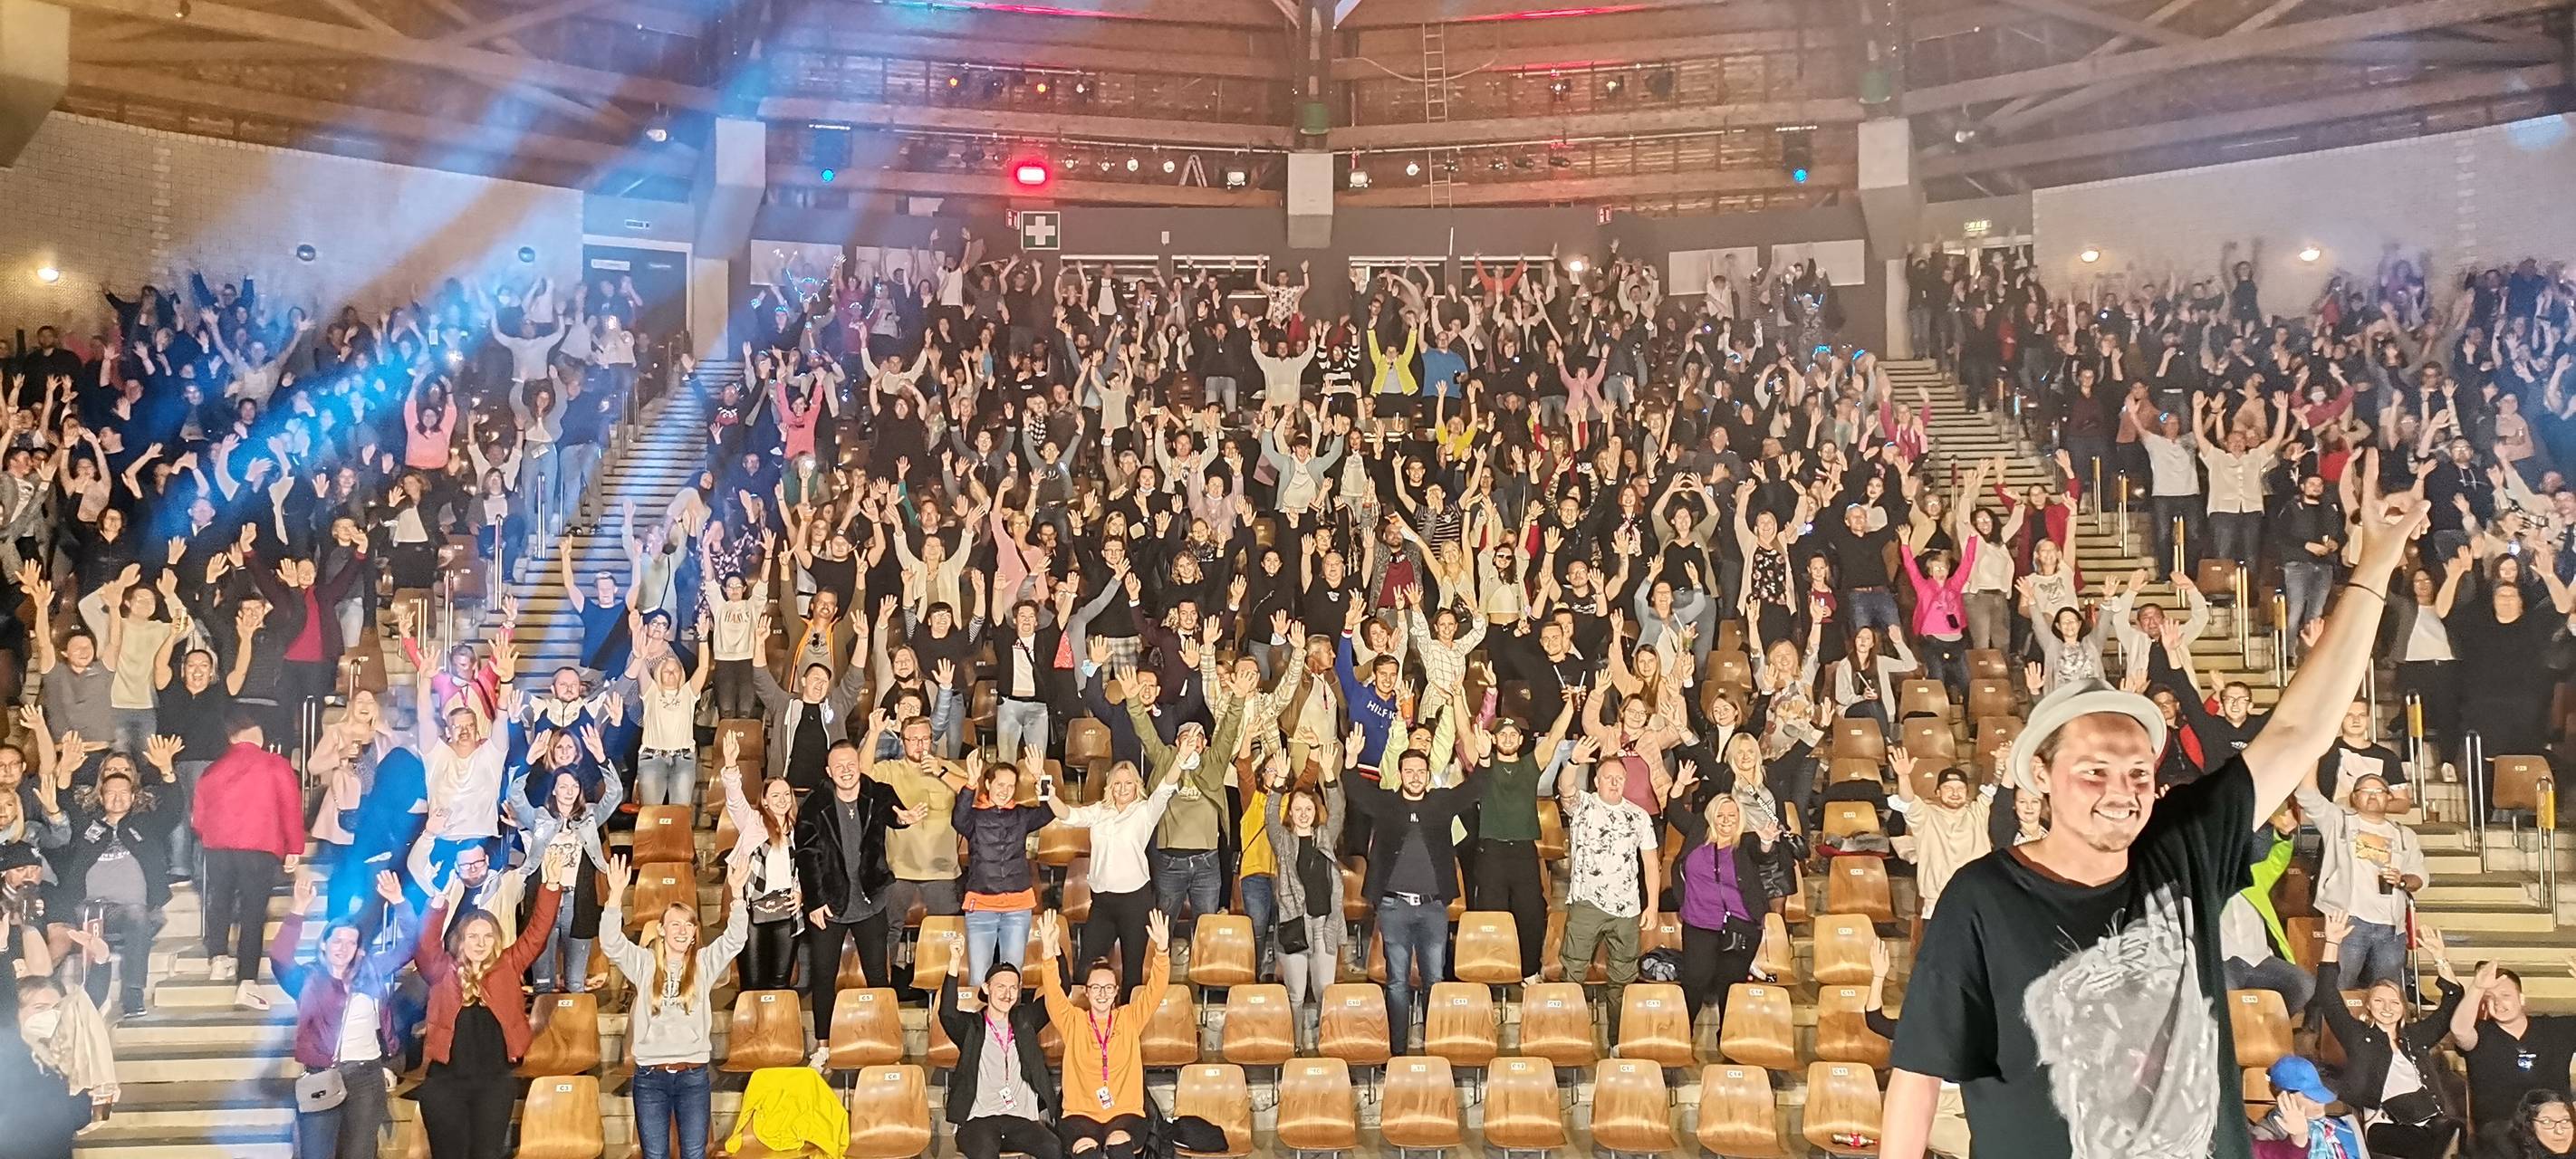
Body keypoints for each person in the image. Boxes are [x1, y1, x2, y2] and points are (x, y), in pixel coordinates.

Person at [1882, 460, 2426, 1159]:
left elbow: (2298, 730)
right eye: (2094, 770)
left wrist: (2374, 568)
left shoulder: (2183, 846)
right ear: (2040, 777)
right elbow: (1920, 1076)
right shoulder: (1982, 898)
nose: (2121, 789)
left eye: (2139, 770)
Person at [413, 844, 571, 1159]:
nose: (480, 943)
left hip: (494, 1084)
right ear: (461, 940)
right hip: (445, 1085)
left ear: (496, 940)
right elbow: (425, 944)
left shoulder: (508, 964)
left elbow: (537, 934)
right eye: (473, 936)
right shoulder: (442, 969)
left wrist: (551, 886)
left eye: (487, 936)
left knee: (487, 1153)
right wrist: (438, 902)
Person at [597, 853, 752, 1159]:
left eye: (688, 925)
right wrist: (615, 896)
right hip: (649, 1078)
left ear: (695, 934)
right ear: (662, 930)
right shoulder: (643, 963)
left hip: (693, 1076)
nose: (682, 930)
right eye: (674, 924)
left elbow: (735, 939)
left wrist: (736, 895)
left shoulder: (705, 963)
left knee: (694, 1153)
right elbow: (611, 942)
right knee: (655, 1154)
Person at [274, 870, 417, 1159]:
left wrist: (400, 902)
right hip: (322, 1076)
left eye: (350, 942)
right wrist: (298, 910)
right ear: (324, 944)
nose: (343, 948)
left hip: (366, 1075)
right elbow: (280, 958)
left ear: (358, 949)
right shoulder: (308, 979)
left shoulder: (372, 971)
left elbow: (412, 945)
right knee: (317, 1153)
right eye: (337, 941)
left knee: (359, 1153)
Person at [1344, 744, 1478, 1049]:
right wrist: (1350, 762)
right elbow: (1355, 791)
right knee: (1397, 983)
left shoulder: (1441, 802)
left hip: (1433, 908)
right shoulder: (1387, 804)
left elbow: (1474, 789)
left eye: (1420, 771)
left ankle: (1434, 1046)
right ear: (1399, 774)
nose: (1415, 777)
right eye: (1409, 771)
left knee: (1435, 980)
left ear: (1428, 775)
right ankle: (1398, 1051)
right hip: (1394, 907)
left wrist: (1483, 760)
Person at [792, 740, 925, 1044]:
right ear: (829, 771)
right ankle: (823, 1045)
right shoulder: (814, 804)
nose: (846, 770)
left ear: (859, 765)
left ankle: (886, 1037)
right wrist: (814, 901)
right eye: (838, 766)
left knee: (878, 976)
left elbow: (895, 813)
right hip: (829, 904)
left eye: (851, 763)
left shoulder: (877, 793)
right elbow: (807, 854)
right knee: (824, 978)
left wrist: (903, 819)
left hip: (870, 899)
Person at [2313, 911, 2464, 1159]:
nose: (2386, 1007)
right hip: (2385, 1125)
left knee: (2453, 1129)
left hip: (2430, 1121)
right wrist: (2332, 943)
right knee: (2432, 1145)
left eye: (2394, 1002)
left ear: (2403, 1008)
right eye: (2379, 1001)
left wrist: (2440, 958)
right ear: (2369, 1006)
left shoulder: (2415, 1036)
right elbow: (2327, 994)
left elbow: (2452, 1003)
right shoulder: (2358, 1036)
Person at [1036, 909, 1172, 1159]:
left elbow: (1155, 990)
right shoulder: (1073, 1021)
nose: (1102, 993)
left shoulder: (1130, 1017)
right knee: (1085, 1148)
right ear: (1086, 992)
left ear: (1116, 992)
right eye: (1095, 987)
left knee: (1119, 1143)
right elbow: (1054, 995)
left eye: (1108, 987)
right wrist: (1047, 953)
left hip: (1125, 1112)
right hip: (1080, 1114)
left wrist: (1162, 952)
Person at [192, 714, 303, 1011]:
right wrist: (294, 846)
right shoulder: (275, 764)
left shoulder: (212, 771)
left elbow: (198, 819)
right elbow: (290, 807)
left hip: (217, 847)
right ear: (258, 734)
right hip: (258, 847)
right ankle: (247, 981)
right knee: (253, 913)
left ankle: (218, 958)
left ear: (231, 738)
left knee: (220, 902)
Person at [1664, 761, 1777, 1026]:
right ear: (1712, 817)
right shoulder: (1697, 833)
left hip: (1740, 927)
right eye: (1721, 816)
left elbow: (1764, 855)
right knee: (1694, 981)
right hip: (1699, 923)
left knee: (1731, 988)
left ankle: (1729, 1042)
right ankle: (1681, 1034)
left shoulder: (1746, 842)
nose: (1726, 822)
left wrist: (1767, 842)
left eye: (1732, 817)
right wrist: (1679, 785)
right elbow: (1675, 811)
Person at [1555, 746, 1660, 1032]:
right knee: (1573, 972)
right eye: (1607, 777)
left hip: (1627, 909)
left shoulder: (1639, 816)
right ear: (1597, 781)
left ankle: (1617, 1042)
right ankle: (1568, 1036)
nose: (1614, 783)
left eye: (1619, 778)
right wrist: (1574, 761)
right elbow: (1565, 787)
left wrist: (1652, 905)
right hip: (1587, 903)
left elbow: (1651, 863)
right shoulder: (1583, 805)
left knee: (1623, 981)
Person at [1056, 760, 1178, 1000]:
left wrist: (1181, 761)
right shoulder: (1099, 811)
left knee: (1132, 972)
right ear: (1110, 786)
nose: (1123, 789)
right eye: (1117, 783)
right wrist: (1047, 792)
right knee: (1085, 970)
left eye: (1129, 783)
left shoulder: (1145, 811)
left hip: (1135, 902)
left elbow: (1166, 786)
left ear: (1137, 786)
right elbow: (1068, 815)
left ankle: (1127, 1031)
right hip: (1102, 904)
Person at [2292, 767, 2423, 988]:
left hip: (2391, 928)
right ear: (2354, 797)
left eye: (2380, 791)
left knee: (2387, 990)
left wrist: (2402, 880)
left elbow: (2419, 878)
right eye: (2365, 790)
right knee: (2337, 984)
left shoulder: (2404, 835)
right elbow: (2307, 795)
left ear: (2389, 798)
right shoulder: (2338, 821)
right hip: (2349, 921)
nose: (2373, 795)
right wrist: (2313, 752)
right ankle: (2320, 1023)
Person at [938, 934, 1062, 1159]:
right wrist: (954, 963)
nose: (1007, 994)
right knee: (985, 1153)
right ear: (986, 988)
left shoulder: (1025, 1020)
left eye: (1013, 988)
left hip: (1021, 1118)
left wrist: (1054, 950)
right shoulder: (972, 1027)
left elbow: (1060, 993)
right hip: (979, 1119)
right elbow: (946, 1013)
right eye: (1001, 987)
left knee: (1053, 1148)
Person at [1259, 749, 1345, 1050]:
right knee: (1295, 994)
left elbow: (1338, 809)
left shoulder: (1325, 837)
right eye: (1298, 809)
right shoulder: (1283, 840)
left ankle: (1324, 1045)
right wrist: (1280, 782)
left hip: (1325, 925)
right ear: (1291, 813)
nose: (1304, 813)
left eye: (1308, 808)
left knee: (1325, 992)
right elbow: (1269, 815)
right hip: (1294, 925)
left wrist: (1330, 774)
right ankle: (1294, 1047)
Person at [2453, 959, 2576, 1155]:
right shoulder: (2481, 1033)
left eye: (2505, 995)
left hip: (2555, 1125)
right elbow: (2460, 1031)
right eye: (2489, 997)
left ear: (2522, 999)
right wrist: (2477, 988)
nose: (2498, 1003)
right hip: (2501, 1132)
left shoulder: (2554, 1029)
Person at [2253, 1056, 2369, 1159]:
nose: (2320, 1102)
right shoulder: (2265, 1135)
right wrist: (2299, 1137)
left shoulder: (2336, 1125)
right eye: (2310, 1097)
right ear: (2285, 1097)